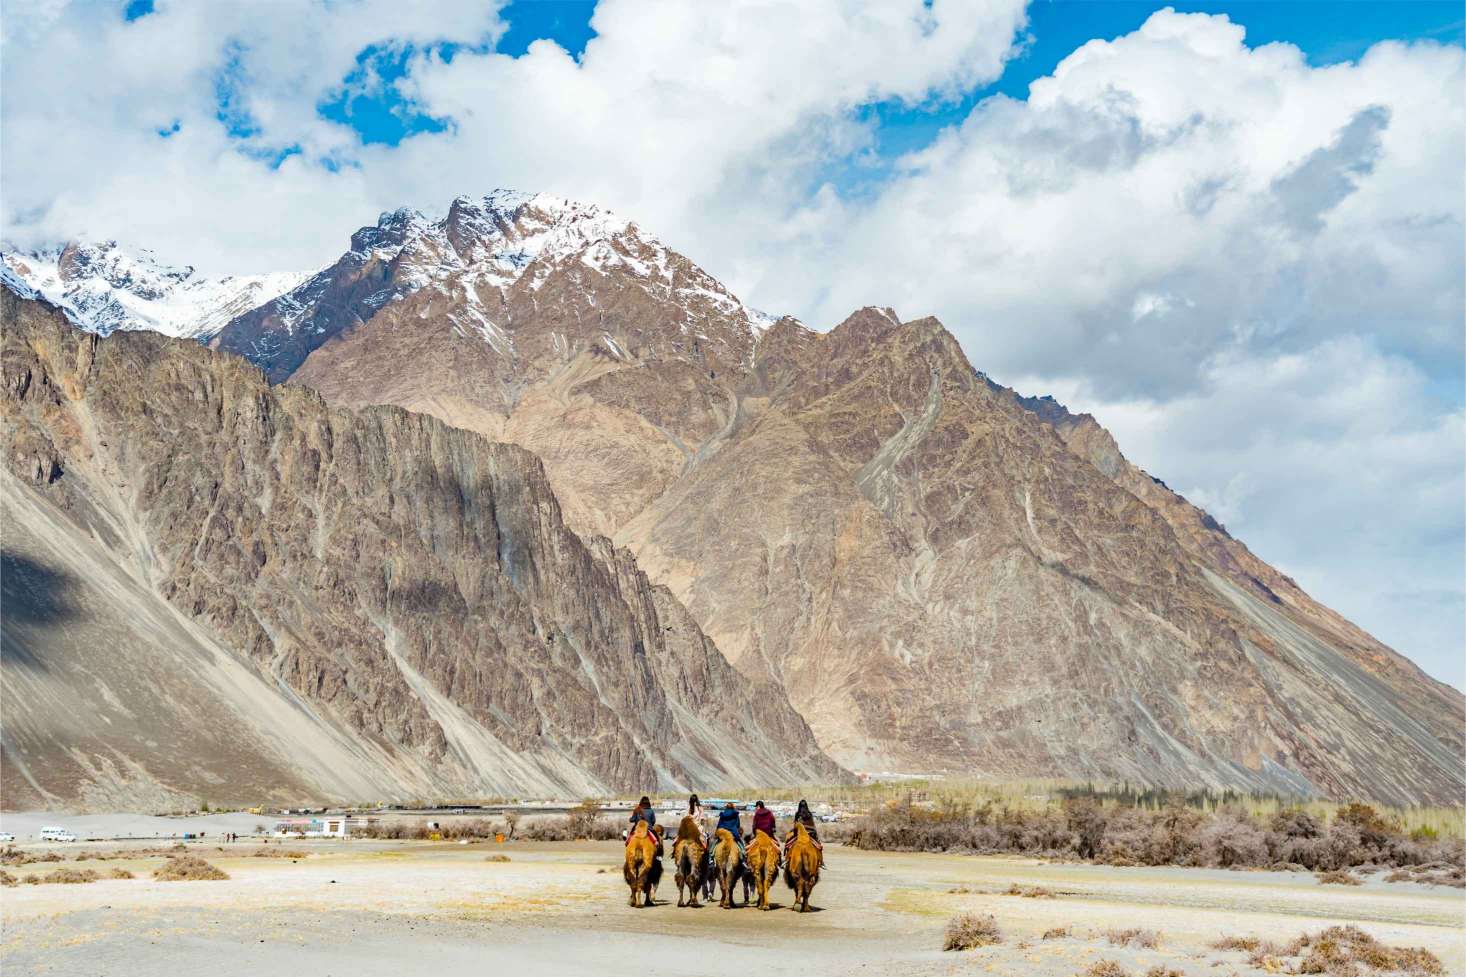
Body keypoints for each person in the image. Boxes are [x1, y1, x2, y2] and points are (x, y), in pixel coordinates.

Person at [785, 798, 824, 866]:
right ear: (806, 806)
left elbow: (795, 825)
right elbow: (812, 824)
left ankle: (787, 860)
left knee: (788, 845)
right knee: (819, 846)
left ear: (799, 806)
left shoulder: (797, 814)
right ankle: (821, 862)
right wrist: (814, 832)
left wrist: (794, 832)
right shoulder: (809, 814)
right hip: (810, 833)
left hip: (799, 834)